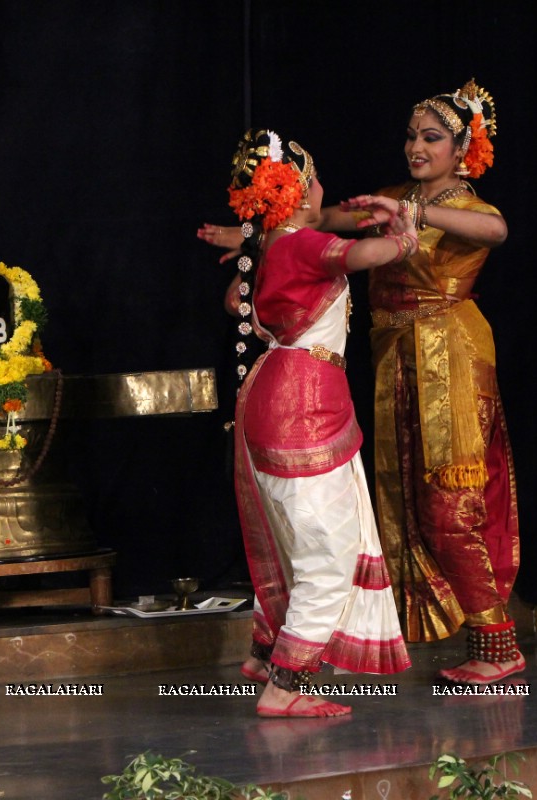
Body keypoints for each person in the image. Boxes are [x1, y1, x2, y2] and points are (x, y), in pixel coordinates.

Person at [199, 81, 520, 686]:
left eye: (431, 138)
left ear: (462, 149)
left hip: (448, 353)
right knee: (399, 501)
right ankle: (312, 646)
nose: (414, 147)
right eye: (410, 136)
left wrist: (411, 216)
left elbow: (497, 232)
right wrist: (251, 240)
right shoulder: (390, 196)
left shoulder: (467, 210)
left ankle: (497, 644)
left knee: (450, 498)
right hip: (391, 355)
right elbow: (312, 220)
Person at [211, 129, 413, 717]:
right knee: (328, 551)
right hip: (303, 405)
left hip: (276, 394)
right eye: (315, 176)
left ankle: (267, 651)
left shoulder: (269, 247)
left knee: (296, 536)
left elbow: (235, 303)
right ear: (299, 191)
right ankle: (286, 685)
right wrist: (402, 231)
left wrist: (254, 248)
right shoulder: (298, 244)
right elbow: (370, 255)